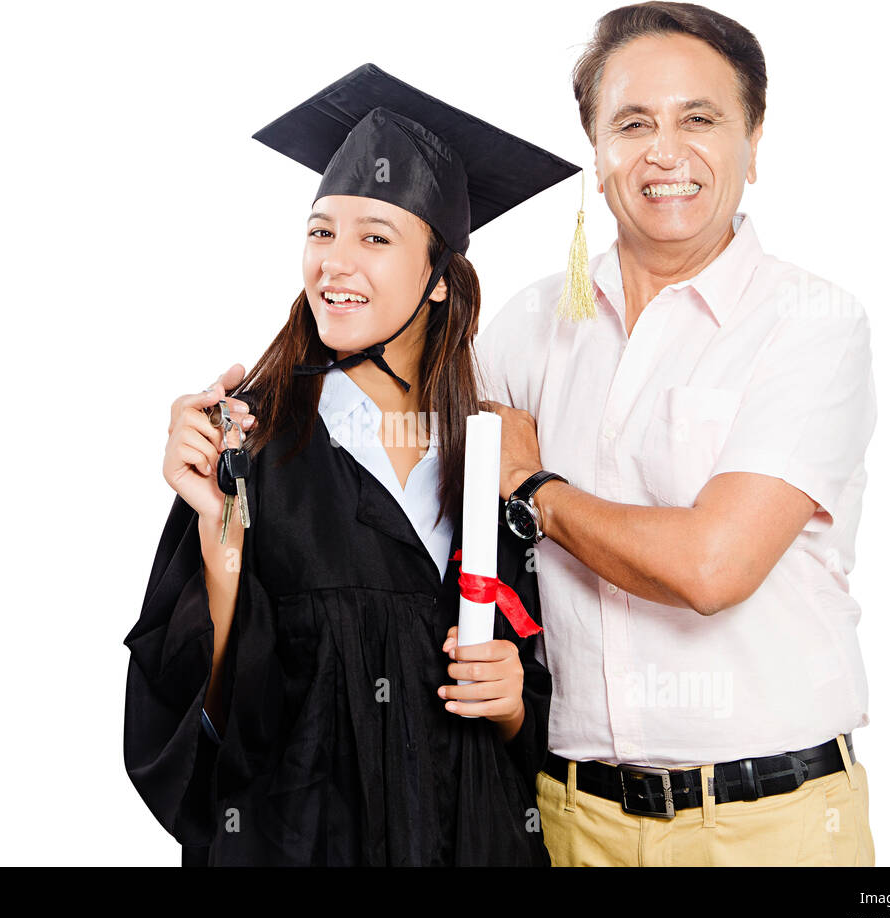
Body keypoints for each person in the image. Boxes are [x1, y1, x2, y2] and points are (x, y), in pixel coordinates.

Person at [120, 64, 579, 865]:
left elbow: (540, 704)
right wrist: (223, 549)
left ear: (440, 279)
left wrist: (511, 705)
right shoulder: (247, 447)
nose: (334, 263)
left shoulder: (493, 459)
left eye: (375, 237)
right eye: (321, 230)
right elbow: (204, 727)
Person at [475, 2, 878, 865]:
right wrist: (254, 415)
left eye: (700, 118)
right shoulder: (526, 327)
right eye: (632, 123)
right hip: (570, 817)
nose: (666, 152)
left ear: (754, 141)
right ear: (596, 148)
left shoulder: (809, 324)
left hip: (771, 825)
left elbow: (712, 566)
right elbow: (416, 483)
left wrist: (535, 492)